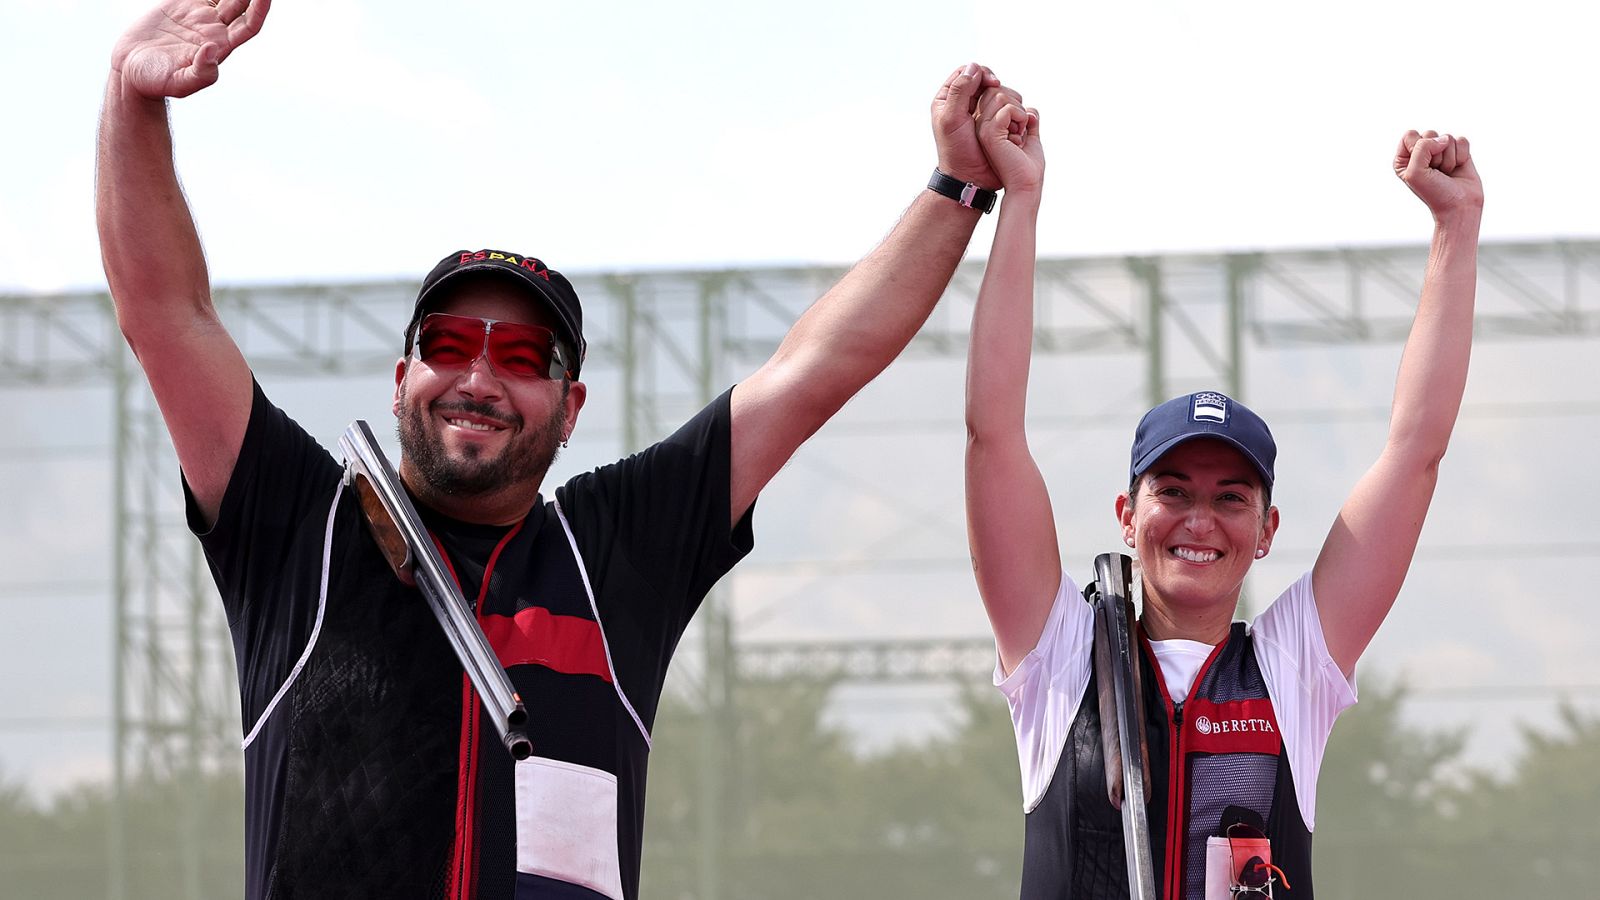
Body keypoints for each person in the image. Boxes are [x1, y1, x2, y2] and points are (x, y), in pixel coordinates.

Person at [95, 1, 1025, 897]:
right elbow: (167, 313)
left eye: (522, 358)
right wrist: (130, 98)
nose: (479, 379)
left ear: (570, 405)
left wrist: (956, 188)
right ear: (402, 376)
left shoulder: (614, 551)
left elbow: (814, 369)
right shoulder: (304, 528)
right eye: (449, 346)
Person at [962, 97, 1483, 897]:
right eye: (1172, 490)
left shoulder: (1292, 667)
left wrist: (1457, 226)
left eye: (1230, 498)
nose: (1199, 519)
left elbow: (1415, 453)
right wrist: (1022, 198)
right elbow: (992, 433)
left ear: (1266, 529)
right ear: (1127, 516)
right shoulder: (1059, 656)